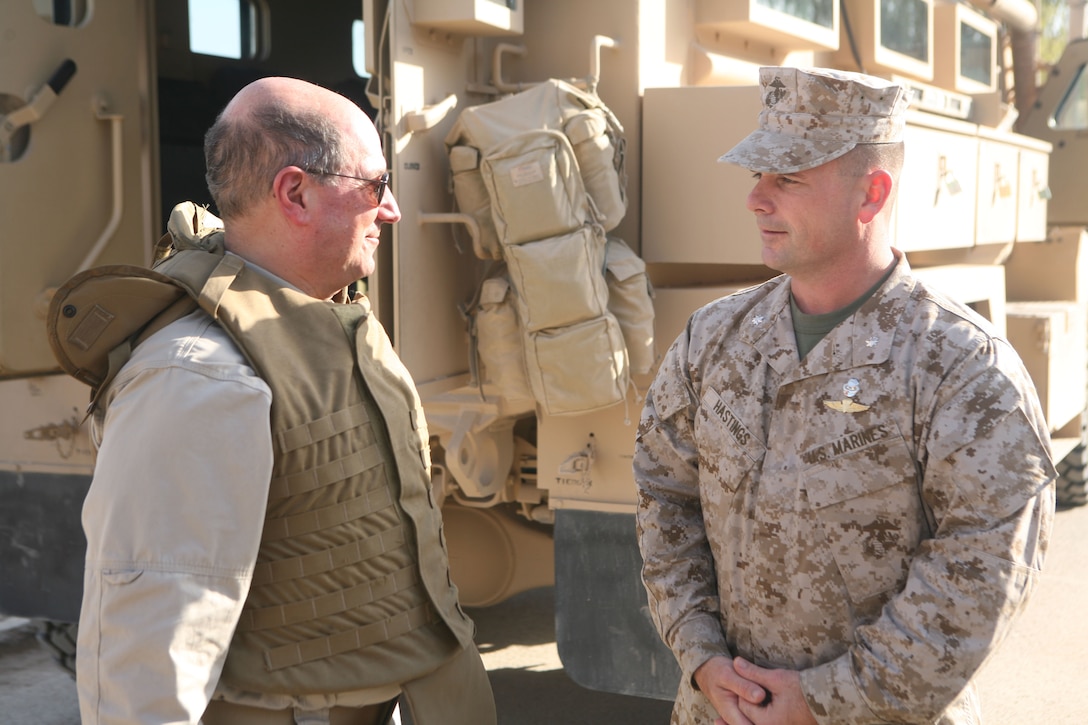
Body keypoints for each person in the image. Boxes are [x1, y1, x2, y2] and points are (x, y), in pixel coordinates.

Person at [633, 66, 1056, 724]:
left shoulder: (963, 369)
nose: (756, 199)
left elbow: (978, 576)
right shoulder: (712, 340)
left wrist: (822, 700)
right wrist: (704, 658)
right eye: (756, 176)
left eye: (788, 178)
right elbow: (666, 498)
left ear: (871, 193)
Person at [73, 77, 497, 725]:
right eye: (375, 186)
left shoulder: (328, 316)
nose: (393, 212)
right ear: (295, 192)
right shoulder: (200, 376)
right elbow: (149, 646)